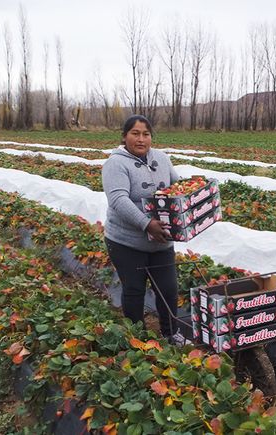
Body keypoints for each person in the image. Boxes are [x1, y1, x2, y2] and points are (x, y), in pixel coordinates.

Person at [102, 114, 190, 346]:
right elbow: (118, 200)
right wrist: (146, 223)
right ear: (124, 136)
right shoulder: (115, 164)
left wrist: (188, 209)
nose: (141, 139)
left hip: (161, 240)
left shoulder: (161, 158)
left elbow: (176, 187)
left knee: (168, 289)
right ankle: (137, 339)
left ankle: (171, 333)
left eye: (146, 134)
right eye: (135, 133)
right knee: (134, 289)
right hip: (127, 241)